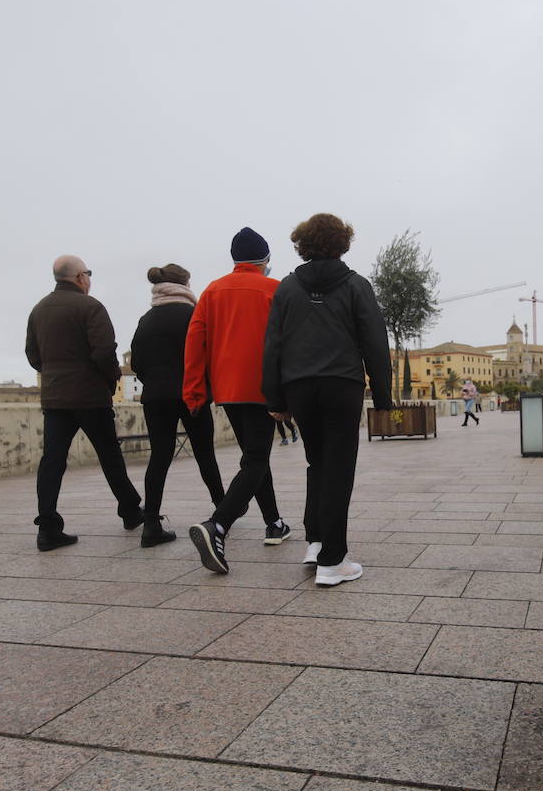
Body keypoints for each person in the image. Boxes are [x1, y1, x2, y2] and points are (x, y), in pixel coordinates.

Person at [263, 212, 393, 586]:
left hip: (300, 387)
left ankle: (316, 541)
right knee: (338, 468)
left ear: (302, 243)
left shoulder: (286, 288)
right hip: (342, 385)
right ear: (342, 243)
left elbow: (273, 345)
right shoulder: (356, 285)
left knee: (317, 463)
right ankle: (333, 561)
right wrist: (383, 396)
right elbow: (374, 343)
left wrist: (274, 396)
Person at [184, 228, 291, 574]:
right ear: (266, 260)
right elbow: (289, 341)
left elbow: (194, 343)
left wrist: (195, 391)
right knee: (257, 459)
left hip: (228, 389)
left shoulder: (212, 291)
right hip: (263, 387)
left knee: (254, 458)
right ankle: (218, 525)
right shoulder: (275, 290)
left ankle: (274, 523)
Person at [25, 255, 143, 551]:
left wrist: (53, 374)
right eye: (88, 273)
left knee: (52, 461)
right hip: (90, 397)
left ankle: (48, 526)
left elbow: (32, 355)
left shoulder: (38, 310)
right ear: (80, 277)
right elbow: (104, 351)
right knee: (109, 455)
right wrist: (110, 379)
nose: (89, 279)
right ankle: (130, 511)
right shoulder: (91, 307)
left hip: (55, 398)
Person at [129, 263, 227, 547]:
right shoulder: (193, 314)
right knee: (204, 454)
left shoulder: (146, 319)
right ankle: (223, 510)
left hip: (155, 397)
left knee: (159, 458)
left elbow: (136, 363)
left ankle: (150, 524)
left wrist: (156, 382)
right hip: (191, 394)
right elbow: (210, 354)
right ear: (185, 285)